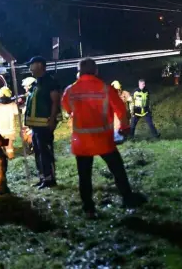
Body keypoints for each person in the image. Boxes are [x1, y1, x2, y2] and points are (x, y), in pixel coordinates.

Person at [61, 58, 147, 217]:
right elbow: (121, 109)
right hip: (103, 140)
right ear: (96, 71)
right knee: (118, 170)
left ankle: (88, 208)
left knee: (84, 176)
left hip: (82, 142)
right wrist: (124, 127)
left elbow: (66, 107)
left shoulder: (70, 90)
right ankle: (127, 198)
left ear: (79, 71)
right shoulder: (106, 88)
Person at [25, 56, 61, 189]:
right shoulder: (36, 83)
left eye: (31, 65)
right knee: (39, 152)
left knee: (46, 152)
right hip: (36, 126)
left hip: (45, 124)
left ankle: (50, 179)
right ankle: (43, 178)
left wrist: (52, 119)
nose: (29, 68)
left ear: (40, 65)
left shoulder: (49, 82)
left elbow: (55, 101)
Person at [0, 86, 18, 160]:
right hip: (10, 129)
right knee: (9, 146)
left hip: (0, 128)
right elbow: (16, 112)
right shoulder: (13, 104)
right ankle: (11, 157)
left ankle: (3, 158)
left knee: (3, 144)